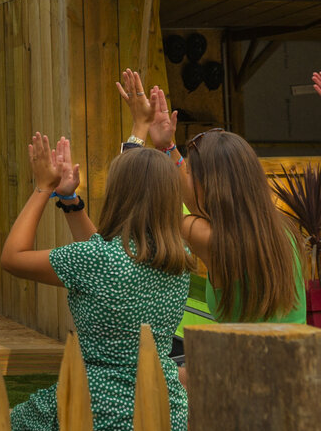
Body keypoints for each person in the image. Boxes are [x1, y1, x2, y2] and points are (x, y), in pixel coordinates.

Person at [1, 133, 192, 431]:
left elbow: (13, 256)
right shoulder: (179, 261)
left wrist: (43, 188)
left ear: (118, 195)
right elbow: (105, 254)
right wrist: (71, 203)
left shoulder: (93, 262)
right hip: (161, 413)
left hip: (95, 411)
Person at [117, 70, 304, 331]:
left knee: (149, 371)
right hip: (297, 363)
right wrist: (168, 147)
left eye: (190, 172)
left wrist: (138, 128)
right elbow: (196, 200)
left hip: (245, 367)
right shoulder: (282, 229)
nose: (183, 173)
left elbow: (128, 192)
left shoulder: (208, 236)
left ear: (211, 188)